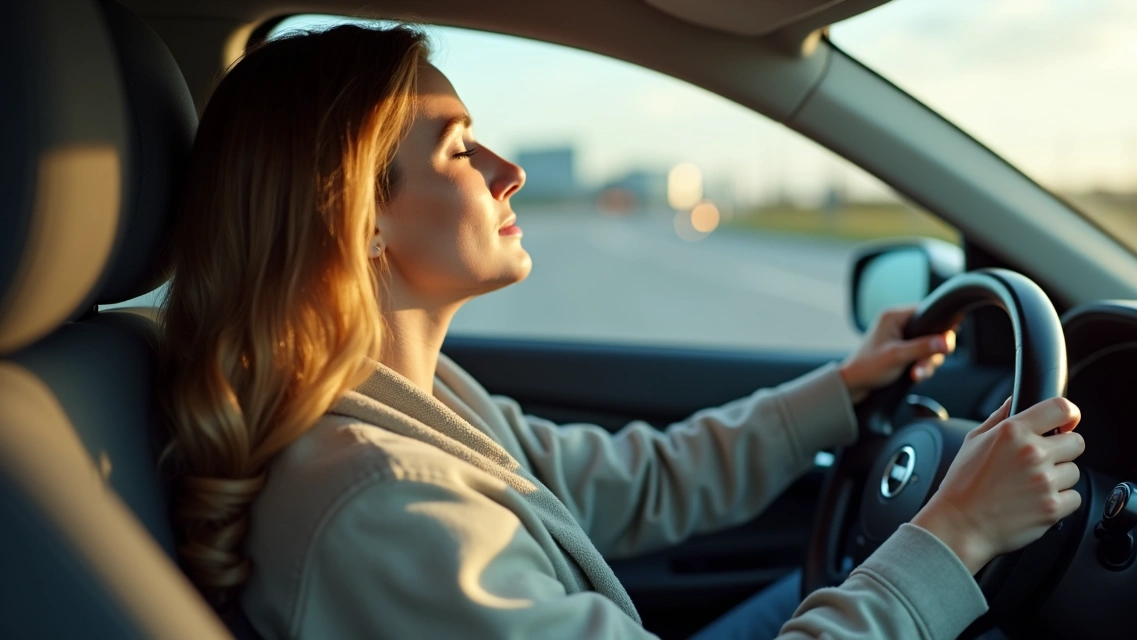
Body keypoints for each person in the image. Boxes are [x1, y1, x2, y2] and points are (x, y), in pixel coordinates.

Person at [159, 24, 1084, 640]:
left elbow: (638, 482)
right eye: (459, 149)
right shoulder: (382, 510)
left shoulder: (416, 401)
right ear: (359, 217)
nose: (509, 170)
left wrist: (842, 390)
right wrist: (956, 532)